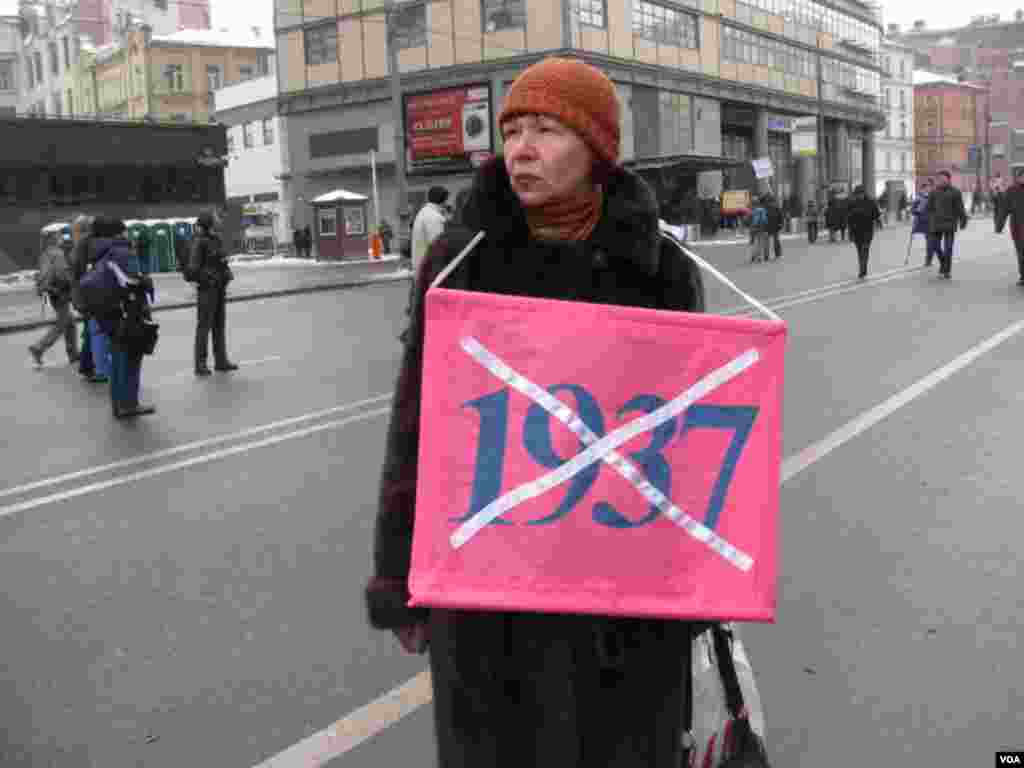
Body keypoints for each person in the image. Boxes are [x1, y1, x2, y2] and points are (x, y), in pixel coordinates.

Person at [365, 57, 706, 768]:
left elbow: (692, 439)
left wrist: (699, 577)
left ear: (598, 149)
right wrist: (401, 575)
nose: (520, 148)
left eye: (547, 130)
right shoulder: (462, 261)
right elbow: (417, 422)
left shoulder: (660, 268)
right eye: (512, 129)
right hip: (492, 595)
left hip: (624, 590)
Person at [90, 216, 156, 418]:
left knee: (118, 359)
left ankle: (118, 404)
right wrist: (145, 281)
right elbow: (131, 281)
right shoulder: (121, 252)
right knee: (131, 358)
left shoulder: (101, 252)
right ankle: (128, 404)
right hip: (128, 312)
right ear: (118, 233)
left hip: (110, 312)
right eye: (125, 230)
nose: (128, 233)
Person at [189, 210, 239, 376]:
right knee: (204, 326)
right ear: (209, 222)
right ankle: (200, 364)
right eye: (215, 218)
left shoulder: (215, 239)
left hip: (219, 287)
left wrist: (224, 266)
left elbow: (218, 261)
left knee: (219, 324)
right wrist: (209, 278)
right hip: (207, 289)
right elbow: (194, 269)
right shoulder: (199, 242)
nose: (218, 220)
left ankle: (221, 360)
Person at [29, 228, 79, 368]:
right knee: (62, 323)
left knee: (70, 322)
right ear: (54, 239)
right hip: (60, 291)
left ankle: (73, 354)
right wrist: (72, 284)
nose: (61, 238)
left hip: (51, 291)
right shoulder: (58, 254)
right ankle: (39, 347)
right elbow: (62, 274)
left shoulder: (45, 253)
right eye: (59, 236)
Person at [926, 170, 968, 279]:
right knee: (935, 246)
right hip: (936, 224)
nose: (941, 181)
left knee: (948, 249)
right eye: (940, 179)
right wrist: (926, 218)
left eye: (944, 179)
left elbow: (960, 208)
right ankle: (944, 264)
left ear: (949, 179)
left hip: (950, 224)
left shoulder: (955, 192)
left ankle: (946, 271)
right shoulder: (934, 192)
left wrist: (963, 221)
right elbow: (928, 208)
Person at [994, 166, 1024, 285]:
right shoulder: (1011, 190)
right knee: (1021, 251)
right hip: (1017, 226)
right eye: (1021, 176)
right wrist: (999, 225)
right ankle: (1023, 275)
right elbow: (1004, 209)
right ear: (1017, 178)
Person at [410, 186, 449, 275]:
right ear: (444, 200)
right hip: (430, 270)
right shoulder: (434, 217)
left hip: (423, 267)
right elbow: (438, 245)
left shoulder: (425, 212)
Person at [846, 185, 881, 279]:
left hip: (867, 231)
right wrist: (850, 233)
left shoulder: (870, 202)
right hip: (856, 231)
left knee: (865, 250)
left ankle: (862, 269)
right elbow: (849, 219)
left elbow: (876, 214)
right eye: (857, 194)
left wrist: (878, 223)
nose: (859, 196)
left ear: (863, 193)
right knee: (859, 251)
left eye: (860, 194)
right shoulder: (852, 204)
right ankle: (863, 269)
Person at [911, 179, 940, 267]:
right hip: (925, 223)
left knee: (933, 243)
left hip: (934, 222)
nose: (927, 189)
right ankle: (929, 260)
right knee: (930, 242)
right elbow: (913, 210)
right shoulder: (918, 198)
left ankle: (932, 259)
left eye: (929, 187)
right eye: (925, 187)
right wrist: (917, 211)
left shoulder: (935, 196)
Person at [749, 195, 769, 263]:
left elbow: (749, 219)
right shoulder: (763, 210)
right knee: (760, 243)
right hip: (761, 227)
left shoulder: (752, 210)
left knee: (753, 242)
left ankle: (753, 256)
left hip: (753, 228)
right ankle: (759, 257)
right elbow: (765, 219)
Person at [763, 192, 783, 260]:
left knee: (766, 242)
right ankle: (778, 254)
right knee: (776, 240)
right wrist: (780, 224)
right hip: (775, 226)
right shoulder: (776, 206)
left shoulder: (764, 207)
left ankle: (766, 255)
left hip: (766, 226)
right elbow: (780, 216)